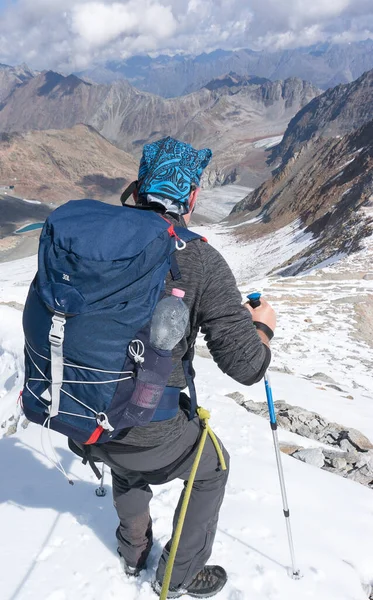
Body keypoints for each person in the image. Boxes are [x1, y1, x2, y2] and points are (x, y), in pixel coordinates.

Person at [88, 136, 276, 598]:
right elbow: (248, 365)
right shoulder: (200, 261)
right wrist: (264, 329)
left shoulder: (92, 241)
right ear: (190, 197)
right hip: (148, 425)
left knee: (125, 448)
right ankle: (178, 575)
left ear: (139, 187)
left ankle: (133, 550)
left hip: (85, 413)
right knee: (212, 467)